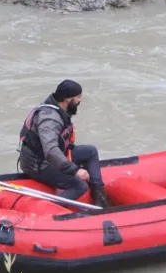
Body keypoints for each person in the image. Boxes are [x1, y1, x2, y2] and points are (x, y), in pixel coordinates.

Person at [17, 79, 111, 208]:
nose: (79, 101)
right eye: (78, 97)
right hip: (39, 165)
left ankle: (100, 198)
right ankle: (49, 208)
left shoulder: (57, 108)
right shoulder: (49, 119)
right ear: (68, 99)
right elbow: (51, 150)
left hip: (50, 157)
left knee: (90, 151)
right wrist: (75, 170)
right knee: (79, 185)